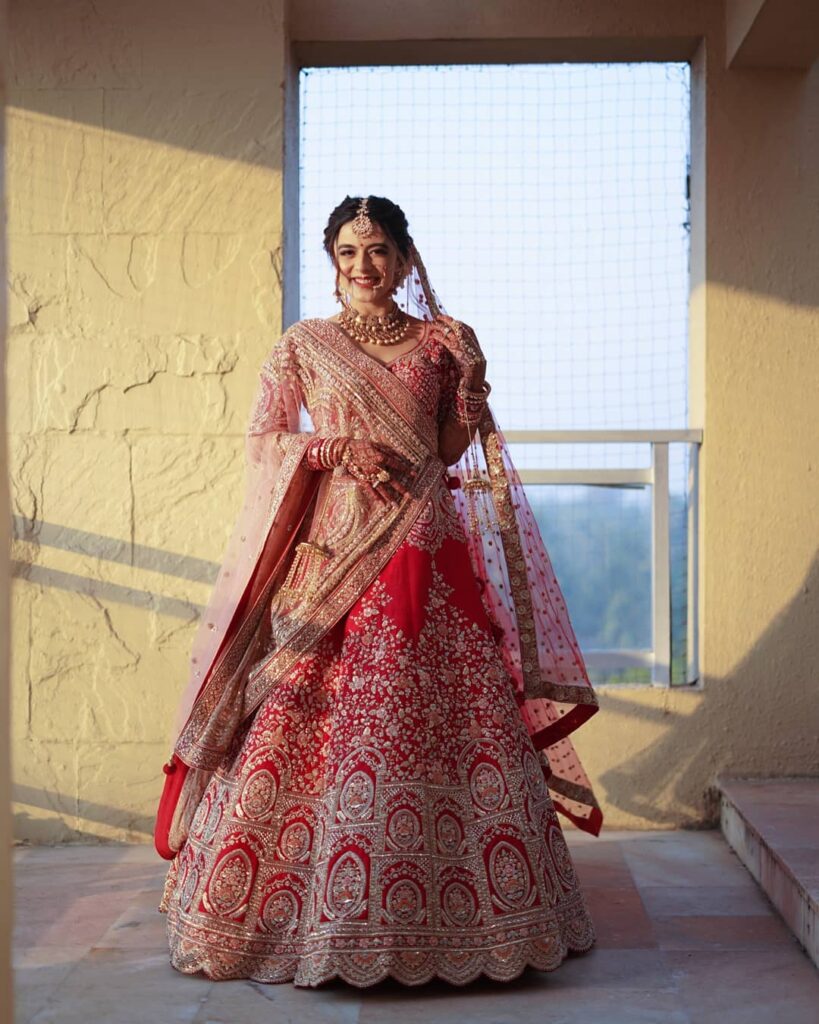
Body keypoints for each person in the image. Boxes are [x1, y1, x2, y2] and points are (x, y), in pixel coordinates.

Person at [154, 195, 604, 988]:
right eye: (349, 251)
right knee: (310, 714)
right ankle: (305, 915)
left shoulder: (441, 340)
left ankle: (472, 918)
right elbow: (263, 443)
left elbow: (448, 447)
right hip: (335, 551)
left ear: (402, 258)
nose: (364, 266)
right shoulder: (303, 345)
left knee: (452, 712)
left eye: (379, 250)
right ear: (332, 260)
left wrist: (470, 383)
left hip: (427, 545)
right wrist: (332, 447)